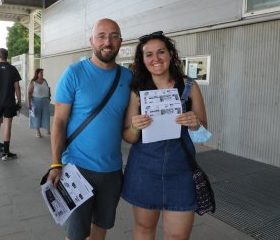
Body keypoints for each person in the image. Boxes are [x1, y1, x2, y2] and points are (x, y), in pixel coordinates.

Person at [47, 18, 132, 240]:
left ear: (120, 42)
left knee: (100, 230)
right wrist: (56, 164)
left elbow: (128, 124)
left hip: (112, 171)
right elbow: (59, 122)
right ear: (92, 41)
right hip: (76, 169)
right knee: (75, 235)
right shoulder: (74, 73)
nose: (108, 42)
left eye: (114, 36)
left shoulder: (128, 77)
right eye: (102, 36)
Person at [121, 31, 208, 240]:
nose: (156, 59)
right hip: (144, 170)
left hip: (181, 172)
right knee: (144, 229)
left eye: (161, 52)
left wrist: (195, 124)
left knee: (178, 236)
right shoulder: (137, 91)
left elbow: (203, 135)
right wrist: (135, 127)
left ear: (170, 54)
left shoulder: (189, 86)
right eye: (148, 54)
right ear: (142, 60)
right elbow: (128, 137)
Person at [0, 48, 21, 160]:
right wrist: (19, 101)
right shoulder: (12, 69)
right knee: (8, 126)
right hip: (9, 102)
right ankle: (6, 153)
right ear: (7, 56)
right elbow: (17, 87)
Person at [28, 68, 51, 138]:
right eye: (41, 73)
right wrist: (29, 103)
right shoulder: (33, 82)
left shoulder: (45, 81)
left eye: (42, 73)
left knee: (46, 116)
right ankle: (38, 132)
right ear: (37, 74)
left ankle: (48, 130)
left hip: (45, 101)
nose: (42, 74)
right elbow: (29, 93)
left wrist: (49, 95)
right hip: (36, 101)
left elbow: (48, 88)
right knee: (37, 117)